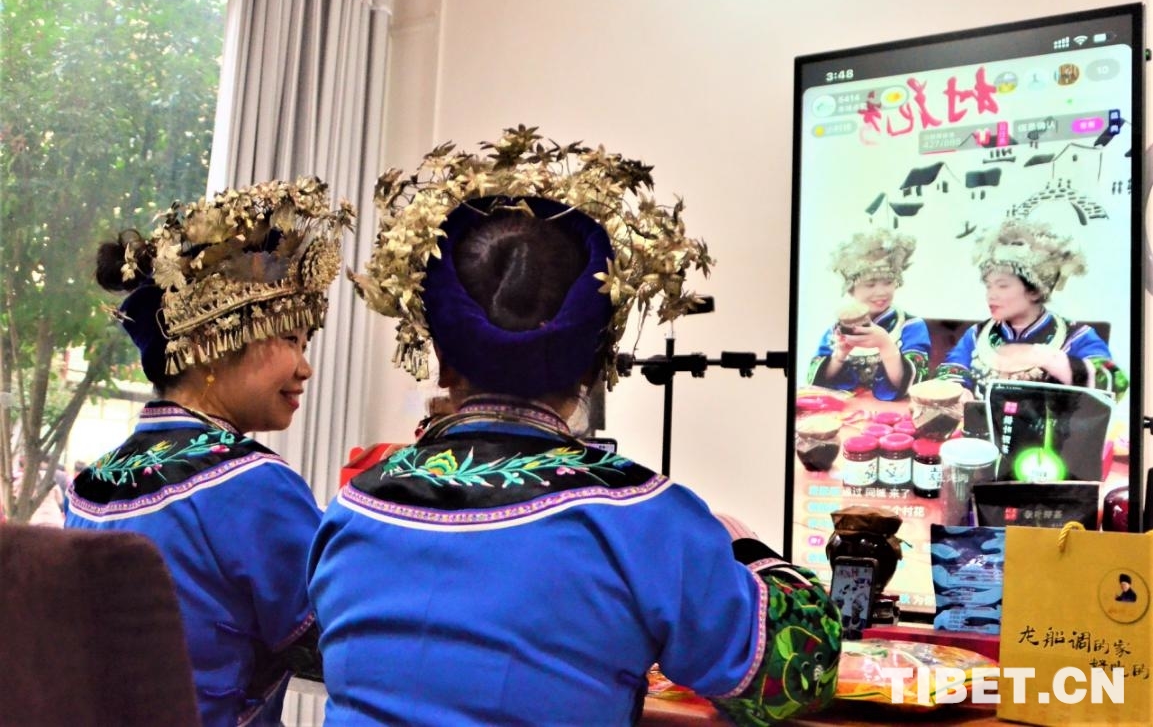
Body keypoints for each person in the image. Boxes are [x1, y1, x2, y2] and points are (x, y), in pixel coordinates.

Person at [309, 127, 841, 725]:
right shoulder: (640, 518)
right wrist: (744, 547)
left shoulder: (352, 510)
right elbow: (799, 672)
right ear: (594, 365)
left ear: (442, 359)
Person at [65, 177, 353, 727]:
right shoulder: (250, 483)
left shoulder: (88, 487)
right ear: (212, 346)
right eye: (289, 339)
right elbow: (341, 640)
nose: (305, 367)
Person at [935, 218, 1126, 400]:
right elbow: (952, 368)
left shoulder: (1076, 337)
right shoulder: (977, 335)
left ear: (1035, 291)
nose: (991, 295)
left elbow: (1115, 384)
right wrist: (957, 391)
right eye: (989, 286)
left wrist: (1049, 359)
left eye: (1002, 286)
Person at [808, 228, 929, 400]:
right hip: (846, 407)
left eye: (888, 282)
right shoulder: (837, 329)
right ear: (851, 290)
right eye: (870, 285)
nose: (881, 292)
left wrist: (886, 345)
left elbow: (915, 384)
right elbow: (817, 380)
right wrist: (839, 356)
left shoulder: (911, 326)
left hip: (893, 409)